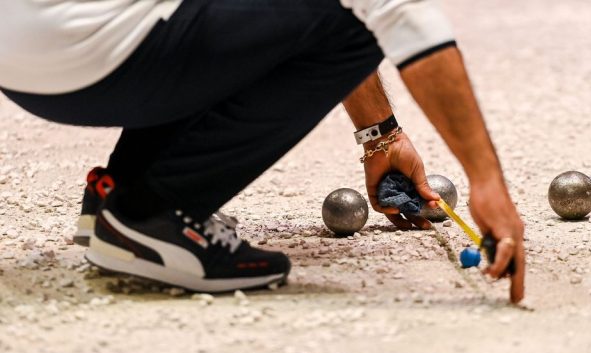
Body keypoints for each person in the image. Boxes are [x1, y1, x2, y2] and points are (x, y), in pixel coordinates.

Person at [0, 0, 526, 302]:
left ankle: (121, 196)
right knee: (350, 25)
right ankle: (151, 214)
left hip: (25, 54)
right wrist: (486, 181)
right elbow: (395, 15)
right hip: (85, 48)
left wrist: (381, 136)